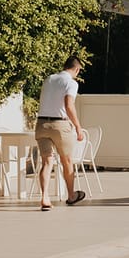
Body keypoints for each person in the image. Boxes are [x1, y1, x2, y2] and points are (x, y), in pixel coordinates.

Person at [35, 55, 86, 209]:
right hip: (60, 125)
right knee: (67, 161)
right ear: (77, 69)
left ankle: (45, 197)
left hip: (41, 124)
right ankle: (71, 196)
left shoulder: (49, 79)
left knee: (47, 162)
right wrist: (77, 126)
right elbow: (69, 105)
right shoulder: (71, 83)